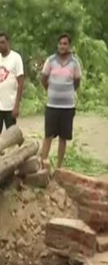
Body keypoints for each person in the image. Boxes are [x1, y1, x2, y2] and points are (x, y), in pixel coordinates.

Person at [40, 33, 82, 169]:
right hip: (52, 105)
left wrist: (67, 92)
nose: (62, 46)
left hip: (67, 106)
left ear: (69, 46)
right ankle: (42, 164)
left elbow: (77, 82)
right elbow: (44, 78)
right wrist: (51, 91)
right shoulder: (50, 61)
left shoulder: (74, 63)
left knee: (63, 137)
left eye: (65, 44)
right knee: (48, 135)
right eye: (60, 44)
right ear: (57, 45)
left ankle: (58, 167)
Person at [0, 32, 25, 138]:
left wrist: (17, 105)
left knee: (11, 133)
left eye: (2, 42)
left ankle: (15, 153)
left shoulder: (16, 58)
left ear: (8, 42)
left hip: (10, 103)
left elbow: (20, 82)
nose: (0, 45)